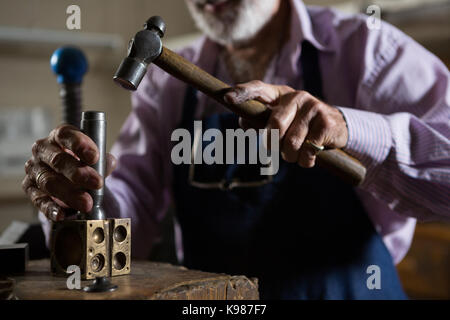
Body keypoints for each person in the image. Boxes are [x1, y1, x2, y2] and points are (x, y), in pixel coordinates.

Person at [23, 0, 449, 299]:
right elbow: (127, 209)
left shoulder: (368, 49)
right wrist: (82, 195)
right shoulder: (166, 82)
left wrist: (349, 127)